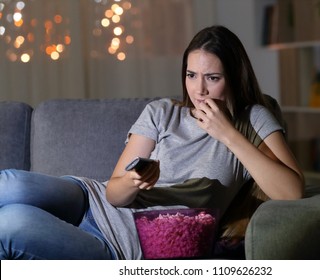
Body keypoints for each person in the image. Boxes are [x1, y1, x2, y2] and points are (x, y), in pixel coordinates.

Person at [0, 25, 304, 260]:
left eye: (212, 78)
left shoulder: (253, 119)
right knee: (11, 184)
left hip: (125, 241)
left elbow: (291, 191)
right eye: (191, 75)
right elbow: (114, 193)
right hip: (92, 200)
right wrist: (134, 180)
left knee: (12, 221)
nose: (199, 90)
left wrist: (227, 134)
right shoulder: (162, 112)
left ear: (234, 78)